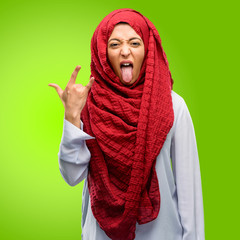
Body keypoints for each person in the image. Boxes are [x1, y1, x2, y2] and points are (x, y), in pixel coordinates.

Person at [49, 9, 204, 240]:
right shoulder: (87, 104)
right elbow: (72, 176)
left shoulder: (172, 105)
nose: (125, 51)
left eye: (134, 42)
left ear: (148, 50)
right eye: (114, 44)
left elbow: (188, 187)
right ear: (102, 53)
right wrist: (72, 116)